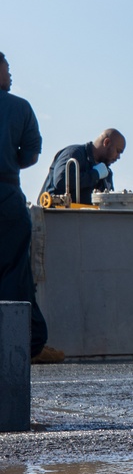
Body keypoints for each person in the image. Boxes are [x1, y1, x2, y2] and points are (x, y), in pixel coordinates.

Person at [0, 52, 61, 363]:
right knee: (14, 272)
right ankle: (21, 344)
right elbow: (31, 156)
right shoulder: (19, 107)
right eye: (7, 70)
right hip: (7, 195)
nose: (10, 77)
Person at [41, 129, 126, 205]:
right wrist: (95, 174)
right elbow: (61, 181)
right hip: (55, 216)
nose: (118, 157)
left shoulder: (106, 171)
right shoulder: (74, 154)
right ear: (106, 142)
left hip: (87, 219)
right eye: (118, 151)